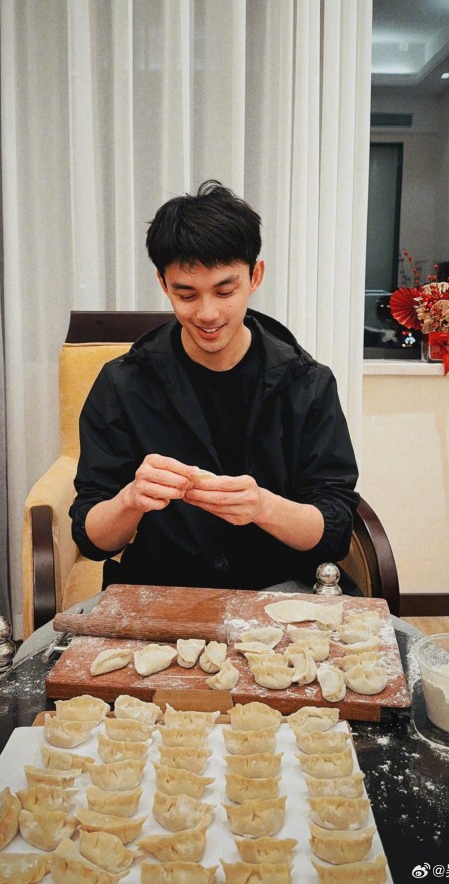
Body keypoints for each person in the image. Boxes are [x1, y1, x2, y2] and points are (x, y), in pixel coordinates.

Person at [69, 180, 360, 593]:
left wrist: (262, 506)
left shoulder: (307, 383)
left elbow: (335, 530)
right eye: (186, 294)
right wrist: (131, 499)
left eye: (225, 290)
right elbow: (93, 540)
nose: (208, 314)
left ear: (255, 276)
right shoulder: (123, 383)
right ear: (163, 283)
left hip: (281, 594)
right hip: (164, 593)